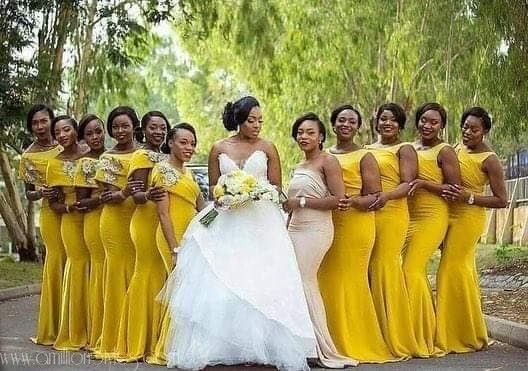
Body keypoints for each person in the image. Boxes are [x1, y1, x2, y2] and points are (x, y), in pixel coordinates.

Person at [160, 96, 316, 371]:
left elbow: (277, 188)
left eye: (259, 121)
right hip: (227, 220)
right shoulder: (218, 148)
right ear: (238, 121)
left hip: (262, 222)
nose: (256, 125)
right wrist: (225, 195)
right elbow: (212, 189)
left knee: (263, 279)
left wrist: (258, 192)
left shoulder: (268, 148)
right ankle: (224, 345)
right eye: (250, 120)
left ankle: (267, 346)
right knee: (224, 280)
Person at [318, 104, 396, 362]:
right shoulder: (323, 154)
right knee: (325, 279)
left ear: (358, 126)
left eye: (352, 121)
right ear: (332, 124)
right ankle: (329, 343)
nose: (346, 125)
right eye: (341, 120)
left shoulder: (365, 156)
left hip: (355, 224)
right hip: (325, 224)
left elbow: (376, 196)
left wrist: (350, 202)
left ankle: (357, 341)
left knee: (351, 279)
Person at [286, 113, 357, 368]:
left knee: (306, 280)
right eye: (300, 132)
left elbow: (339, 200)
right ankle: (303, 345)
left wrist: (301, 202)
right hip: (294, 228)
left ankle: (320, 348)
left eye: (310, 132)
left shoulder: (328, 161)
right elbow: (291, 204)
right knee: (294, 284)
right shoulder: (299, 166)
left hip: (316, 230)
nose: (304, 137)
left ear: (321, 137)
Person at [435, 107, 507, 353]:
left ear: (484, 132)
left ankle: (451, 335)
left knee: (449, 269)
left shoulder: (490, 160)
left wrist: (469, 197)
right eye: (465, 127)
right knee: (463, 270)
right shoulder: (455, 149)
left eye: (474, 129)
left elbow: (502, 200)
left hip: (470, 216)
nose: (467, 132)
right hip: (448, 214)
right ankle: (468, 329)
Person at [403, 102, 461, 356]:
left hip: (432, 215)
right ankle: (407, 329)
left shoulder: (445, 151)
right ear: (417, 122)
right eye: (424, 120)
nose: (428, 125)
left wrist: (424, 183)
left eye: (434, 122)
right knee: (403, 271)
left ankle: (425, 334)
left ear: (442, 126)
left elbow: (455, 190)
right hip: (407, 216)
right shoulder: (409, 148)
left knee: (411, 269)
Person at [147, 123, 206, 365]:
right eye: (183, 142)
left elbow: (203, 210)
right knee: (177, 289)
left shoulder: (189, 173)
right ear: (170, 143)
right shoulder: (162, 171)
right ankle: (165, 348)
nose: (189, 147)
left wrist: (228, 210)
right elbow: (163, 214)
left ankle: (181, 345)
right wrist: (174, 248)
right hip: (171, 237)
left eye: (192, 143)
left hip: (191, 236)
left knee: (187, 292)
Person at [366, 103, 420, 358]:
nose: (387, 123)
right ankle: (372, 331)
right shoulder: (366, 150)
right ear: (375, 122)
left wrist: (385, 197)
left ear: (400, 124)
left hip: (392, 211)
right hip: (366, 213)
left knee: (385, 265)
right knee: (366, 267)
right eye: (383, 119)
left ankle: (395, 335)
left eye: (393, 120)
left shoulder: (404, 149)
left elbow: (408, 184)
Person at [116, 111, 170, 362]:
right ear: (144, 130)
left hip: (164, 219)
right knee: (144, 274)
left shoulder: (167, 155)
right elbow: (136, 195)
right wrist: (149, 195)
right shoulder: (140, 155)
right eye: (154, 128)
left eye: (162, 127)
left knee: (159, 277)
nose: (158, 132)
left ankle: (155, 337)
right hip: (145, 219)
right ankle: (136, 339)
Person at [93, 106, 143, 359]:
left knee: (138, 274)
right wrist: (125, 192)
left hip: (142, 220)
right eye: (115, 127)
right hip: (115, 221)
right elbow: (106, 197)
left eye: (124, 125)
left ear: (135, 126)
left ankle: (137, 336)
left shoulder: (146, 154)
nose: (120, 131)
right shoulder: (107, 158)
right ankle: (114, 338)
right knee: (117, 275)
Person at [19, 104, 64, 345]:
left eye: (43, 121)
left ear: (51, 121)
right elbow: (29, 194)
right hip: (49, 214)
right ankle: (53, 326)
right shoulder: (28, 156)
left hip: (73, 211)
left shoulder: (64, 145)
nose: (40, 127)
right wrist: (42, 193)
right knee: (56, 262)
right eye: (35, 123)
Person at [46, 116, 90, 350]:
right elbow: (54, 204)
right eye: (58, 132)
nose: (62, 135)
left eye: (67, 130)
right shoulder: (53, 164)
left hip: (93, 216)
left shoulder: (90, 155)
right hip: (70, 219)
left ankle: (95, 329)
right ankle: (74, 330)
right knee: (78, 266)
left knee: (94, 270)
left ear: (76, 131)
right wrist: (69, 207)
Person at [73, 114, 106, 350]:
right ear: (83, 138)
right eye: (89, 134)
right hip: (95, 221)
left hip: (123, 220)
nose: (95, 137)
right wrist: (100, 200)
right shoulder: (84, 163)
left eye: (98, 131)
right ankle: (97, 331)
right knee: (99, 273)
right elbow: (80, 203)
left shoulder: (115, 156)